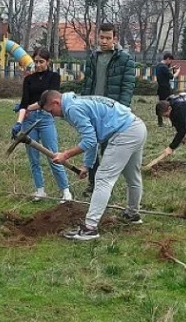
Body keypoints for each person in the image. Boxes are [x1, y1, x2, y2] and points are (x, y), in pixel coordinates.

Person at [39, 90, 147, 241]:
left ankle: (90, 228)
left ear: (56, 103)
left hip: (125, 132)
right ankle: (132, 214)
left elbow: (89, 140)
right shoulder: (77, 102)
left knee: (103, 179)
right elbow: (93, 138)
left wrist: (65, 155)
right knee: (132, 176)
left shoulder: (72, 109)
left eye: (51, 111)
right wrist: (87, 166)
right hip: (137, 126)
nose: (53, 115)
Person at [79, 23, 137, 190]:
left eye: (108, 38)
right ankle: (93, 181)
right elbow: (87, 83)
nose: (104, 41)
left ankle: (104, 184)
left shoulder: (125, 59)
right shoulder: (92, 57)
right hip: (92, 108)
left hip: (111, 111)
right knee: (90, 144)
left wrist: (122, 108)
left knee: (108, 148)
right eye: (101, 37)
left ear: (115, 39)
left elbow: (127, 86)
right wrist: (83, 103)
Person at [10, 48, 72, 202]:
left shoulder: (54, 77)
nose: (38, 65)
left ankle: (66, 192)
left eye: (41, 62)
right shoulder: (28, 80)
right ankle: (40, 191)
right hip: (29, 121)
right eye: (36, 61)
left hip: (45, 119)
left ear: (48, 62)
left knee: (53, 155)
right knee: (33, 158)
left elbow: (48, 101)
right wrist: (19, 123)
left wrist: (28, 107)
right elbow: (24, 103)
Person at [154, 52, 180, 126]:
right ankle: (173, 122)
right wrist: (178, 72)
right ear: (168, 59)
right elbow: (172, 76)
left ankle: (160, 122)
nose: (171, 62)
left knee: (160, 105)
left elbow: (164, 72)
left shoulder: (159, 65)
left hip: (160, 88)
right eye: (170, 60)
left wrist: (171, 68)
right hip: (166, 89)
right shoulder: (164, 67)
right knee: (170, 105)